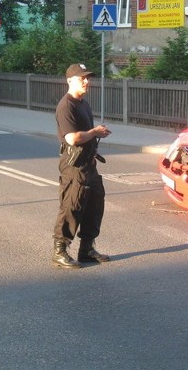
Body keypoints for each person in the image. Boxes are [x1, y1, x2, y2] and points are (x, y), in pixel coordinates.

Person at [52, 63, 112, 269]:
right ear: (70, 81)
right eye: (81, 78)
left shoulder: (83, 104)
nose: (87, 81)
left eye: (88, 78)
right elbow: (72, 138)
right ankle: (59, 251)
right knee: (72, 207)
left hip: (89, 164)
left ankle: (86, 249)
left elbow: (86, 135)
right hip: (74, 166)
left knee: (95, 206)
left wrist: (95, 134)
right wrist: (95, 132)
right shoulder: (66, 106)